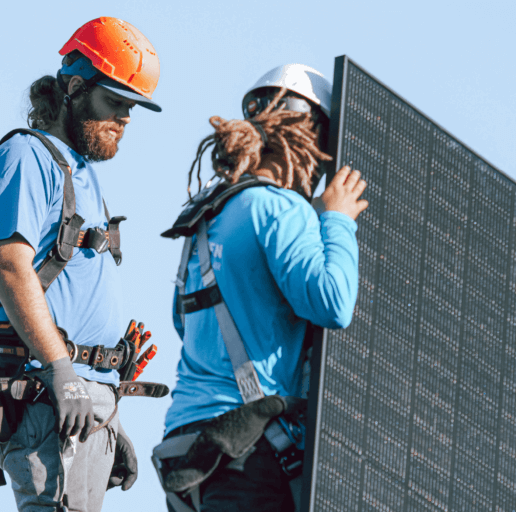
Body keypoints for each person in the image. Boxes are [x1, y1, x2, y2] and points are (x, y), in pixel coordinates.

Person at [154, 64, 368, 512]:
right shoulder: (280, 207)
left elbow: (183, 322)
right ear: (310, 138)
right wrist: (337, 221)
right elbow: (332, 303)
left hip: (187, 447)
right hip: (246, 450)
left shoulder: (207, 215)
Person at [0, 17, 161, 512]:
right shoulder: (27, 156)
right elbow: (11, 266)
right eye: (114, 103)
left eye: (131, 108)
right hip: (47, 394)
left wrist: (107, 370)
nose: (124, 119)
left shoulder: (79, 171)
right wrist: (62, 367)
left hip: (82, 395)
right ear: (76, 89)